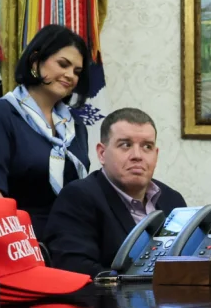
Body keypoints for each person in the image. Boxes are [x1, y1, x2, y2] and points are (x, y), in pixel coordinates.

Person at [0, 24, 92, 240]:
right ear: (35, 61)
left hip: (73, 242)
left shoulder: (76, 127)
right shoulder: (0, 114)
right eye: (63, 64)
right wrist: (13, 242)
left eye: (77, 71)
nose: (70, 76)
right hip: (20, 242)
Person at [45, 108, 186, 276]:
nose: (137, 155)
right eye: (125, 145)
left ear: (156, 155)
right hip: (108, 301)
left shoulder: (173, 200)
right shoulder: (78, 197)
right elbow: (74, 270)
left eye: (147, 146)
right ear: (102, 153)